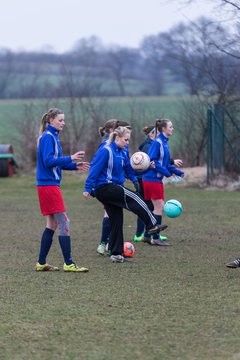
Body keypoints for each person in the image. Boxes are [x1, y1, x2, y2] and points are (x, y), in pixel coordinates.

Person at [83, 126, 168, 263]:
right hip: (105, 188)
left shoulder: (122, 152)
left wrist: (144, 170)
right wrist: (88, 188)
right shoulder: (106, 150)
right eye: (126, 140)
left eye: (129, 140)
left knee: (116, 220)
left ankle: (116, 254)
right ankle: (151, 225)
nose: (128, 142)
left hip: (113, 188)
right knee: (135, 197)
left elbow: (129, 170)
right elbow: (95, 168)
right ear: (117, 138)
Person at [35, 107, 89, 272]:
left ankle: (41, 263)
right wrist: (70, 157)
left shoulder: (53, 137)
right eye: (60, 120)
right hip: (48, 185)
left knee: (52, 224)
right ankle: (69, 263)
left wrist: (74, 166)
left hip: (48, 185)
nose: (63, 123)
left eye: (64, 120)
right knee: (64, 222)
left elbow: (55, 162)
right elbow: (49, 161)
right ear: (51, 121)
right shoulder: (47, 137)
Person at [133, 125, 183, 243]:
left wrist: (177, 172)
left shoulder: (162, 142)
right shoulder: (157, 143)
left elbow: (164, 162)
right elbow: (153, 162)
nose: (173, 128)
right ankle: (155, 237)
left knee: (151, 207)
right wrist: (168, 174)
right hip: (152, 180)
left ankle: (146, 234)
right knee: (158, 207)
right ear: (163, 129)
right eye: (170, 126)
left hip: (151, 180)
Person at [96, 119, 132, 256]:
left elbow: (124, 161)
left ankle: (110, 244)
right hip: (107, 185)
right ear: (113, 131)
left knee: (114, 214)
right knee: (109, 213)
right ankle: (104, 243)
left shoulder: (123, 144)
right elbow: (98, 164)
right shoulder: (106, 145)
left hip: (118, 183)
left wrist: (129, 172)